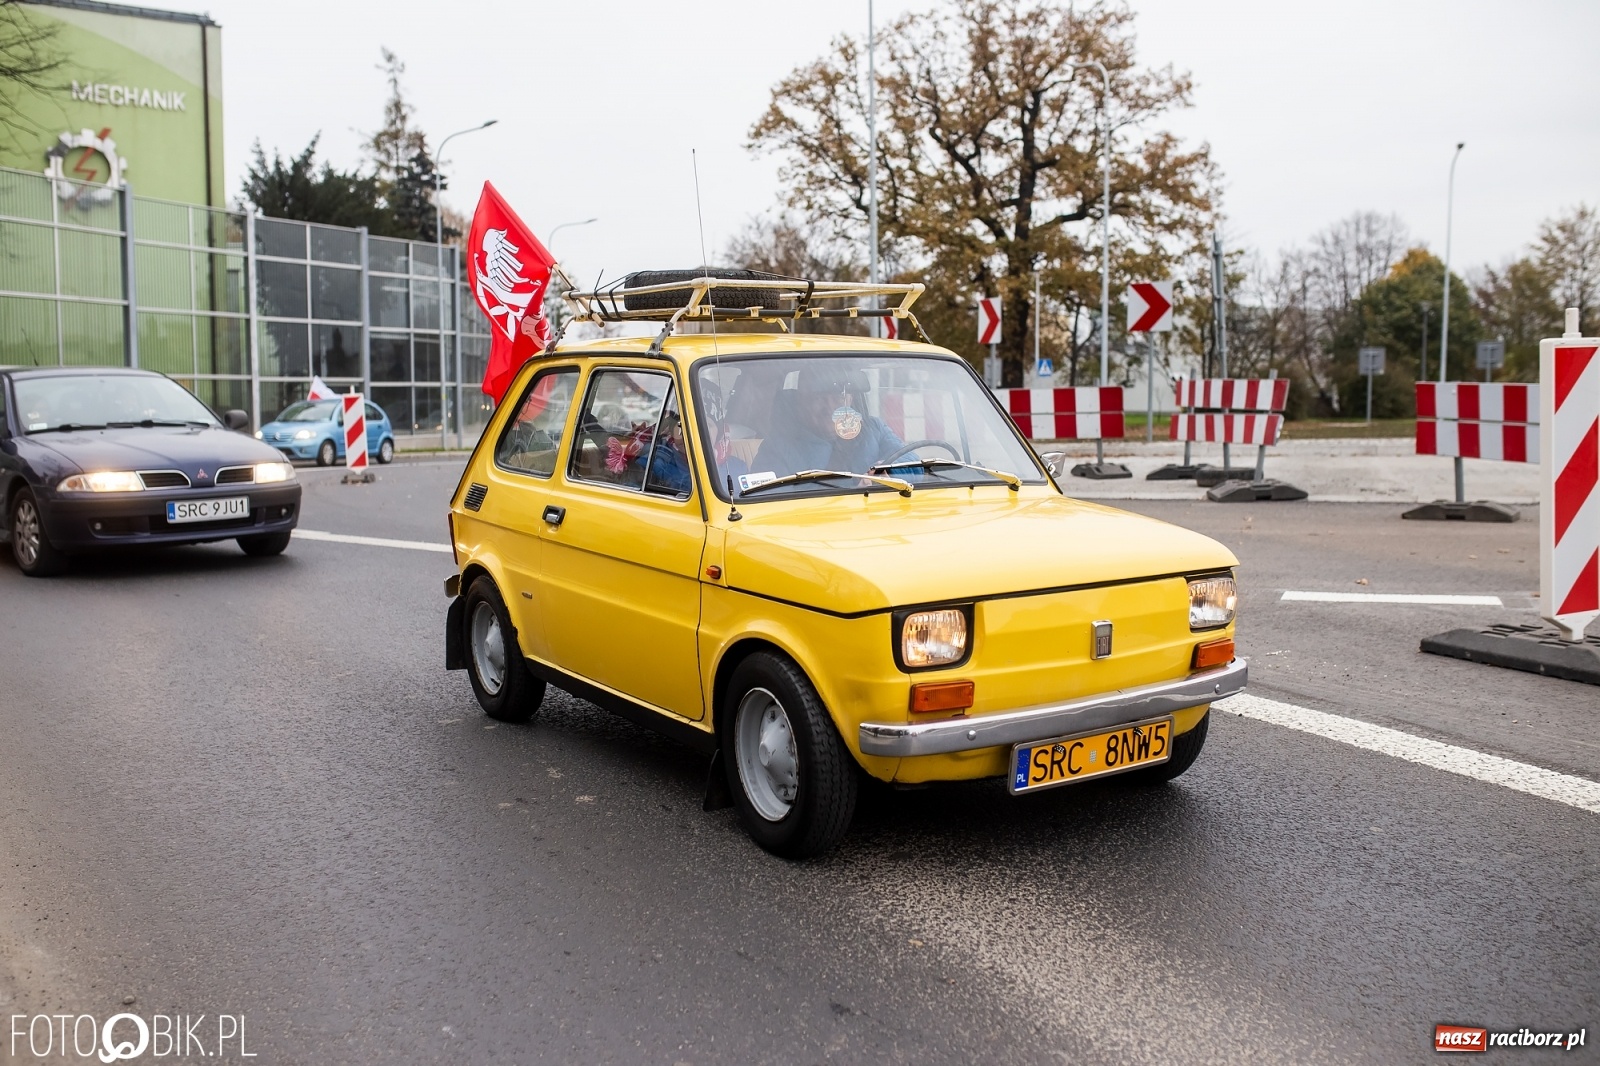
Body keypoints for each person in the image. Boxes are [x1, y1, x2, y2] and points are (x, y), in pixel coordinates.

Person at [751, 366, 901, 478]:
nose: (830, 408)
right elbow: (773, 502)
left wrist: (889, 472)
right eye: (819, 398)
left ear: (850, 400)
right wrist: (855, 492)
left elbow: (911, 462)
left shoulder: (873, 429)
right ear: (800, 402)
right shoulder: (777, 448)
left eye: (838, 398)